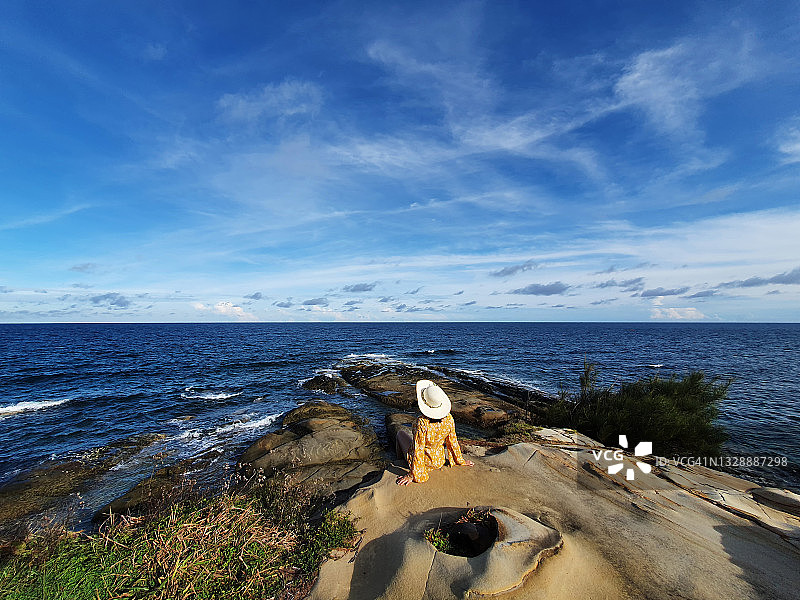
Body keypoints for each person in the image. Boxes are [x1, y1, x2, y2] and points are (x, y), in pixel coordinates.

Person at [396, 379, 474, 485]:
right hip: (439, 461)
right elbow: (453, 442)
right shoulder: (449, 418)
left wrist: (412, 475)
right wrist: (460, 461)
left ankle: (399, 461)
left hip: (424, 463)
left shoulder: (422, 422)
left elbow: (418, 449)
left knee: (400, 434)